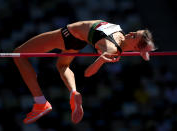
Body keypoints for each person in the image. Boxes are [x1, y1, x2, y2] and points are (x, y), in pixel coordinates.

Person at [13, 20, 156, 124]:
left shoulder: (112, 49)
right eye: (133, 32)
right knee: (62, 66)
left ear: (135, 47)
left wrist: (101, 60)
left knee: (18, 54)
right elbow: (131, 44)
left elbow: (88, 73)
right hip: (78, 39)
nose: (130, 33)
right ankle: (73, 92)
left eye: (133, 36)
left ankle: (40, 102)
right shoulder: (119, 37)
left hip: (68, 35)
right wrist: (143, 52)